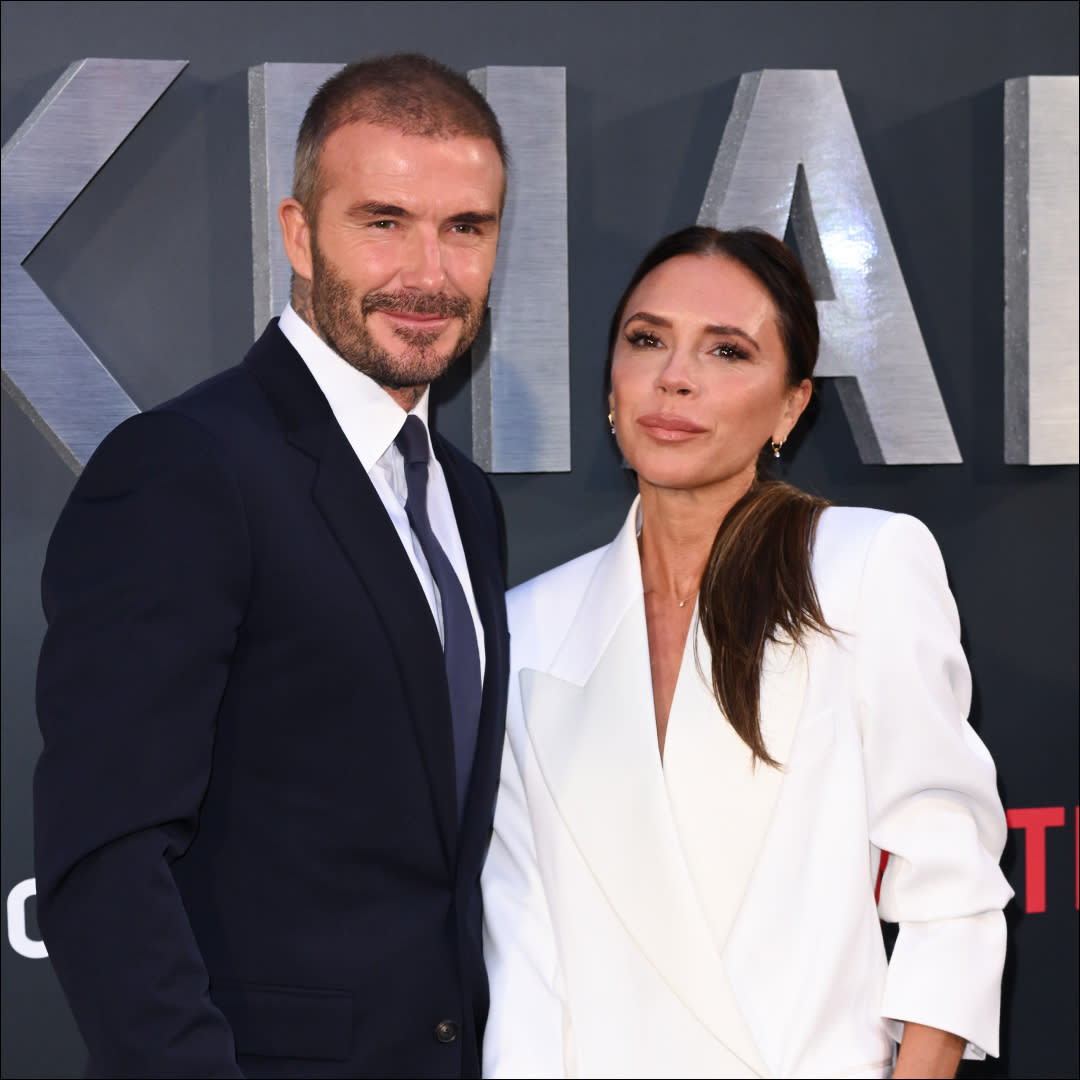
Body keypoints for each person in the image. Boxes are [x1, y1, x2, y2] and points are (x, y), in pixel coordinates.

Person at [34, 54, 510, 1078]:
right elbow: (106, 857)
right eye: (383, 221)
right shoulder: (186, 470)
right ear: (299, 234)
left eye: (465, 228)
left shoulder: (464, 497)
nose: (428, 274)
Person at [481, 226, 1011, 1079]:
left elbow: (951, 888)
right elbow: (526, 967)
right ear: (612, 385)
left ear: (791, 405)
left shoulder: (860, 568)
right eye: (646, 339)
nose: (675, 376)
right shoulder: (528, 625)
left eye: (726, 351)